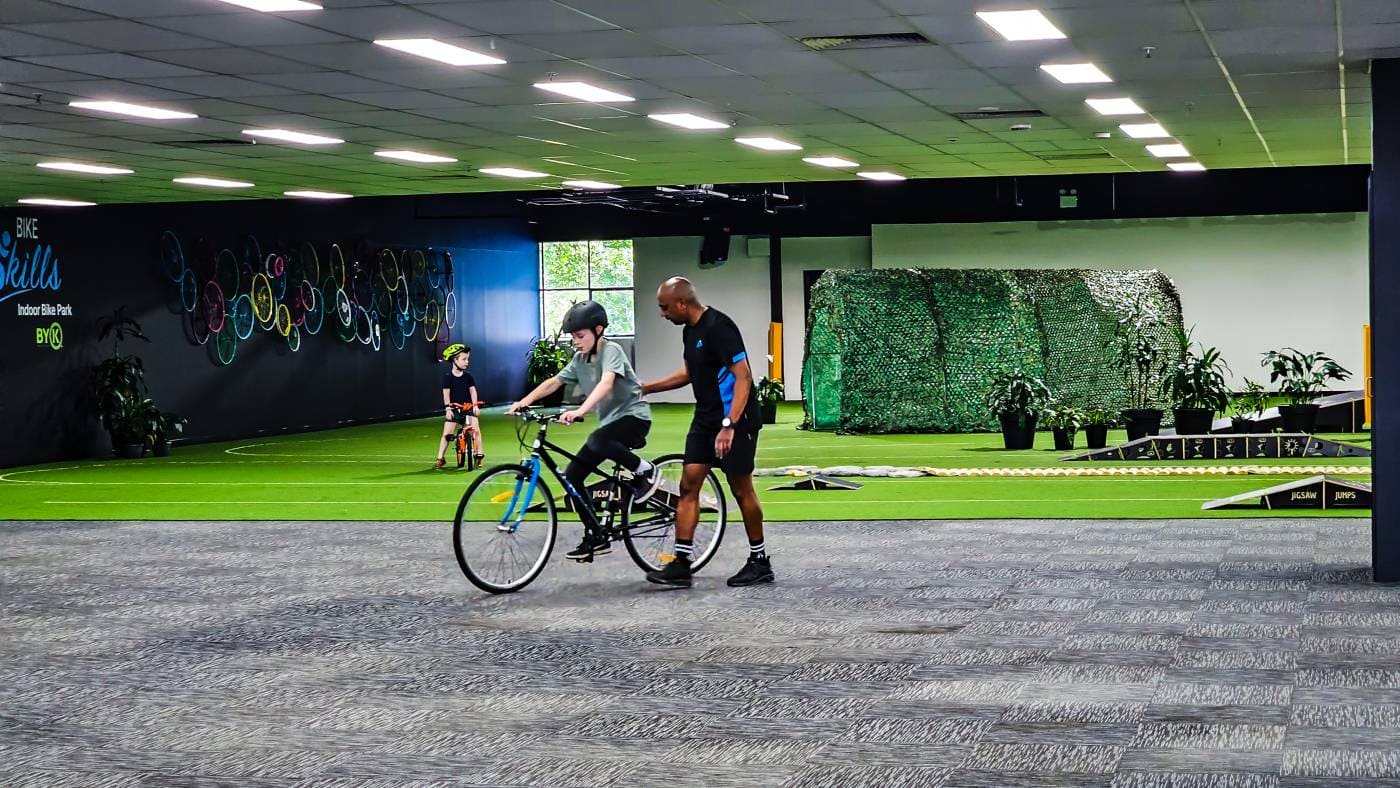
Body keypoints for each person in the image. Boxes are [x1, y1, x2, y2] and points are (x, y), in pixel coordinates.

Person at [641, 277, 774, 589]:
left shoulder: (719, 327)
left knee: (741, 489)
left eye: (664, 308)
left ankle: (760, 561)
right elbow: (689, 373)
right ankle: (681, 564)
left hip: (735, 419)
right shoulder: (690, 331)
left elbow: (744, 378)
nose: (662, 314)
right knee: (689, 485)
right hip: (705, 419)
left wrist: (729, 426)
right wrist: (649, 387)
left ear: (682, 303)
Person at [509, 300, 660, 561]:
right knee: (572, 475)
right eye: (572, 337)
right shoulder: (579, 360)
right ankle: (596, 535)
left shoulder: (611, 350)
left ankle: (644, 470)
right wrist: (524, 402)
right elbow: (554, 382)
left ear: (598, 330)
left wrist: (581, 411)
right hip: (610, 426)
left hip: (634, 418)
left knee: (597, 440)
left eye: (580, 336)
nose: (575, 341)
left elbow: (606, 382)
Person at [434, 343, 483, 470]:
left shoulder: (468, 377)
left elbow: (473, 391)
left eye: (468, 359)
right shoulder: (448, 378)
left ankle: (479, 455)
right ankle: (440, 458)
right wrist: (448, 408)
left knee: (475, 430)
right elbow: (446, 393)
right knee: (447, 434)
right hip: (455, 409)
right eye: (464, 359)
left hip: (468, 408)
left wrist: (475, 406)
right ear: (454, 360)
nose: (467, 362)